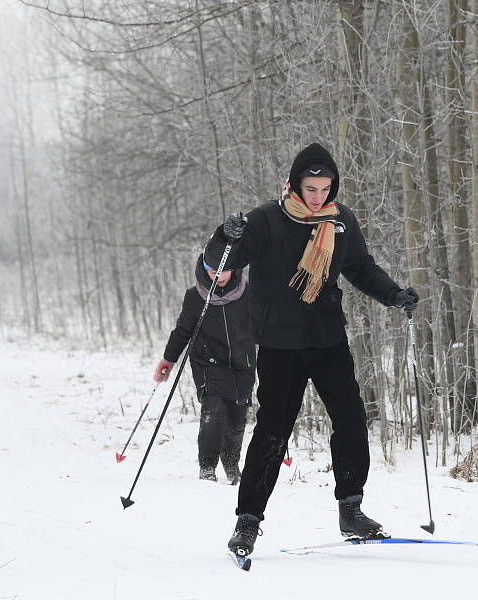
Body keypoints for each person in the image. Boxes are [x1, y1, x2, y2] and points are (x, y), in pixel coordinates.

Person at [205, 143, 419, 558]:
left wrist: (394, 295)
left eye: (325, 188)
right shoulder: (266, 219)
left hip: (327, 340)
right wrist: (222, 235)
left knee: (352, 419)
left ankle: (351, 509)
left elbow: (360, 267)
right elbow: (223, 262)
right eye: (310, 187)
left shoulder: (340, 222)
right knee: (273, 431)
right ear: (294, 184)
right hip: (280, 345)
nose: (318, 195)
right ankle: (248, 522)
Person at [153, 253, 255, 485]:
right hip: (208, 361)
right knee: (214, 409)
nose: (219, 276)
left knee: (237, 417)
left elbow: (265, 323)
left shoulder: (248, 292)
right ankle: (207, 466)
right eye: (213, 271)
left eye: (224, 270)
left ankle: (231, 464)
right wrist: (168, 361)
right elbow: (182, 331)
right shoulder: (196, 296)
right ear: (204, 269)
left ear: (234, 268)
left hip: (242, 363)